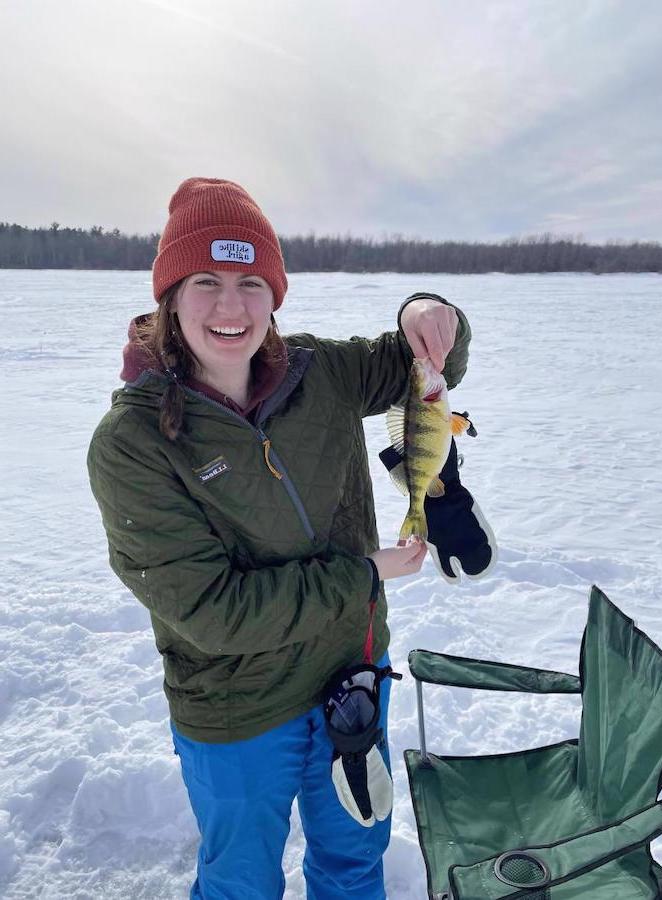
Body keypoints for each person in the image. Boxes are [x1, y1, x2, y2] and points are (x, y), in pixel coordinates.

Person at [87, 177, 471, 900]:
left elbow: (423, 362)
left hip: (349, 679)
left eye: (250, 283)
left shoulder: (318, 374)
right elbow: (214, 611)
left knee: (354, 863)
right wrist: (365, 574)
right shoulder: (131, 442)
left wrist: (430, 311)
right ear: (169, 295)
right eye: (205, 281)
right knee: (240, 882)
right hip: (238, 711)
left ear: (275, 295)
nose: (230, 307)